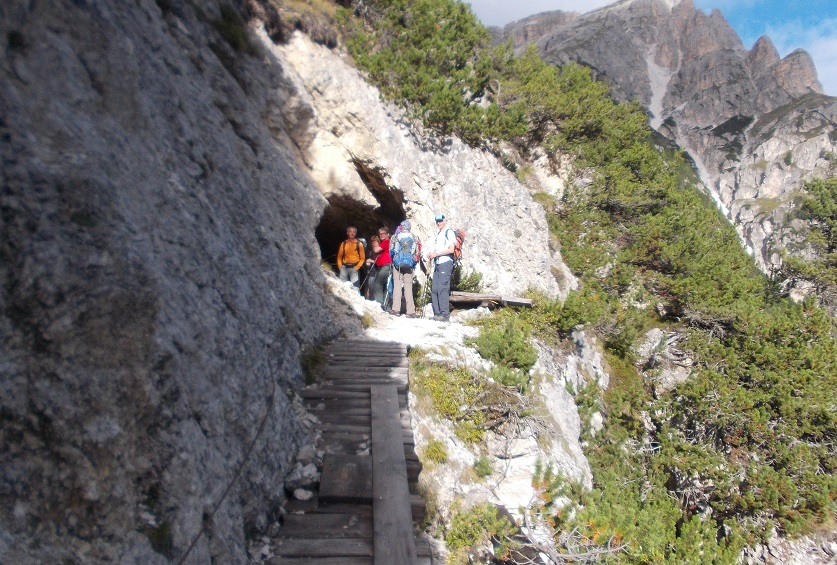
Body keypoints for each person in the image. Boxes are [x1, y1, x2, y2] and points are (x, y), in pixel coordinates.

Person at [427, 213, 456, 322]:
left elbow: (451, 249)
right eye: (437, 221)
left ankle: (445, 315)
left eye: (440, 221)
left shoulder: (449, 232)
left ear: (444, 221)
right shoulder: (439, 234)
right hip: (438, 264)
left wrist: (437, 253)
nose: (438, 223)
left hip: (445, 263)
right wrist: (432, 254)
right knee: (435, 289)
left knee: (443, 289)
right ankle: (437, 313)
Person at [389, 220, 420, 317]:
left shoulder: (395, 237)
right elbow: (417, 252)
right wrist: (413, 262)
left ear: (402, 227)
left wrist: (394, 260)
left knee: (397, 287)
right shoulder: (415, 237)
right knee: (408, 287)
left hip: (397, 264)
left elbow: (391, 251)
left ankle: (396, 310)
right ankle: (410, 311)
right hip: (409, 265)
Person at [336, 225, 365, 290]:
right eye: (350, 231)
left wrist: (357, 267)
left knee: (355, 289)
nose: (352, 233)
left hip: (354, 268)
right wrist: (340, 266)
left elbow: (362, 258)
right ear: (347, 233)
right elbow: (339, 257)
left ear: (355, 233)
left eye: (354, 232)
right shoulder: (343, 244)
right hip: (344, 268)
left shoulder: (359, 244)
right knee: (343, 288)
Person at [371, 226, 392, 307]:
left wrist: (375, 246)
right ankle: (385, 305)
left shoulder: (386, 242)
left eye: (383, 233)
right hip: (385, 266)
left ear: (388, 234)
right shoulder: (385, 243)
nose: (382, 235)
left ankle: (379, 304)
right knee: (384, 285)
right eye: (380, 234)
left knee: (377, 283)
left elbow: (376, 250)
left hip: (386, 266)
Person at [362, 234, 381, 299]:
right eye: (372, 242)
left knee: (377, 288)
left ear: (378, 242)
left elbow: (381, 261)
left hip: (379, 272)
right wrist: (367, 262)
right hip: (372, 272)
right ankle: (370, 300)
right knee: (370, 287)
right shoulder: (371, 252)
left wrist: (372, 261)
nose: (373, 244)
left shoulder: (381, 251)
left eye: (375, 242)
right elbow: (367, 261)